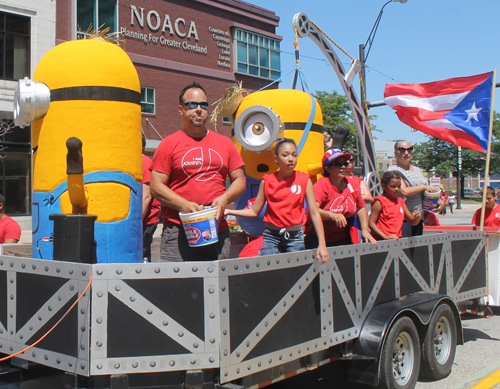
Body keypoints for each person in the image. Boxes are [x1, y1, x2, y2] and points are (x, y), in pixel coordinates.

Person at [150, 82, 246, 262]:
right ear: (181, 109)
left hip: (217, 228)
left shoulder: (224, 143)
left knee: (216, 286)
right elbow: (155, 186)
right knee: (176, 286)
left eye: (203, 104)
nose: (199, 109)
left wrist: (225, 199)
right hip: (178, 229)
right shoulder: (169, 144)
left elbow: (240, 180)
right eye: (192, 105)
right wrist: (184, 205)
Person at [226, 139, 329, 263]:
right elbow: (254, 212)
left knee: (296, 272)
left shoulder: (304, 179)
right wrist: (228, 212)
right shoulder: (267, 181)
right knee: (270, 273)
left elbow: (314, 212)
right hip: (271, 237)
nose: (291, 159)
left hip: (295, 236)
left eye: (294, 155)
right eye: (285, 155)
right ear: (276, 159)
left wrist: (322, 245)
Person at [305, 148, 376, 248]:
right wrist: (332, 215)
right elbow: (311, 210)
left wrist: (364, 229)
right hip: (317, 239)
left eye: (345, 163)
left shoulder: (352, 184)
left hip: (343, 238)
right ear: (327, 168)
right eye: (338, 164)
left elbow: (361, 207)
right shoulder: (322, 185)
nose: (343, 167)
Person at [389, 140, 437, 237]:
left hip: (418, 218)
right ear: (395, 153)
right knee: (404, 250)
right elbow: (404, 191)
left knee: (417, 251)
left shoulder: (418, 170)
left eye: (409, 149)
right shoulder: (393, 170)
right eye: (402, 150)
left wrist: (436, 202)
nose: (406, 153)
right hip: (402, 219)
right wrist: (423, 186)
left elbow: (426, 192)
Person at [369, 171, 421, 240]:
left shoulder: (400, 201)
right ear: (384, 186)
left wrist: (417, 218)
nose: (397, 189)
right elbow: (371, 223)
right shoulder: (380, 202)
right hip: (381, 242)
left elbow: (412, 221)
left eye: (399, 186)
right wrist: (385, 236)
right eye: (393, 186)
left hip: (396, 241)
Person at [142, 135, 161, 262]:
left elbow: (146, 196)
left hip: (145, 221)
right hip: (143, 221)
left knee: (139, 257)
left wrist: (135, 221)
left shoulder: (143, 162)